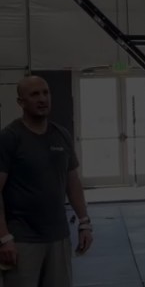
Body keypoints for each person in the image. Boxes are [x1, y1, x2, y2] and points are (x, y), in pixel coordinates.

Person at [0, 76, 93, 287]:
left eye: (46, 92)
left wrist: (84, 223)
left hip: (58, 237)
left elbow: (73, 182)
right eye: (34, 94)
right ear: (21, 102)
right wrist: (4, 238)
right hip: (22, 240)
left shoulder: (62, 135)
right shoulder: (9, 138)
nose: (42, 99)